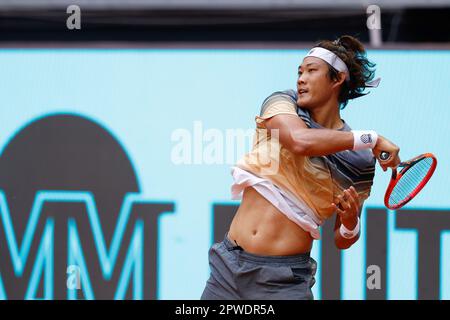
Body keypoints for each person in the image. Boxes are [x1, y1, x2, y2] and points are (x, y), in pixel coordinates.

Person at [201, 35, 400, 300]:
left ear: (337, 80)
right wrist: (370, 139)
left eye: (311, 71)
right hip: (226, 269)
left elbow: (343, 238)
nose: (301, 78)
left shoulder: (359, 161)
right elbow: (300, 141)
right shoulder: (282, 103)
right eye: (299, 71)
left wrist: (350, 223)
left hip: (282, 282)